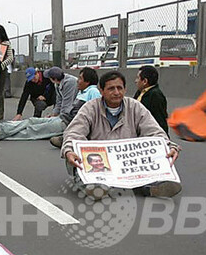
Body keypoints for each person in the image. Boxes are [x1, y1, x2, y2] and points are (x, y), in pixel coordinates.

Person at [61, 70, 182, 198]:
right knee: (76, 160)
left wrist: (168, 146)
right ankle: (95, 187)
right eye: (111, 89)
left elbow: (154, 132)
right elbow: (74, 133)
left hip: (125, 163)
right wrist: (68, 150)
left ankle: (151, 188)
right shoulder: (90, 108)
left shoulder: (135, 107)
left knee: (157, 158)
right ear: (101, 91)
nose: (116, 92)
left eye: (120, 88)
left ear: (125, 89)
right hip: (100, 163)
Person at [0, 67, 100, 142]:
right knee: (32, 121)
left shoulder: (92, 92)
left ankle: (0, 134)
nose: (77, 80)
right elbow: (60, 102)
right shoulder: (81, 91)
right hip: (63, 118)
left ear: (87, 81)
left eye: (80, 78)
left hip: (67, 123)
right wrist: (55, 114)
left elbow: (95, 116)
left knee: (34, 130)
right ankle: (0, 128)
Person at [134, 65, 169, 132]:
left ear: (145, 81)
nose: (135, 81)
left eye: (138, 78)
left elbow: (160, 120)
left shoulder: (156, 95)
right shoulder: (140, 92)